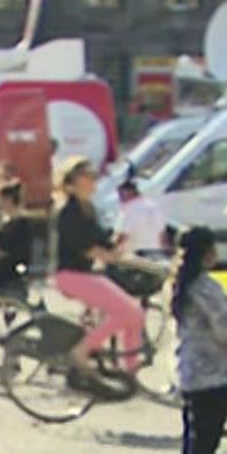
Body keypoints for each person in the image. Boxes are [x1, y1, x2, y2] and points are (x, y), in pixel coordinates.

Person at [52, 156, 144, 384]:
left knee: (135, 316)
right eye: (89, 176)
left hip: (86, 275)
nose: (94, 180)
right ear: (73, 182)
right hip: (71, 276)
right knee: (129, 312)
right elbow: (86, 247)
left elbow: (102, 240)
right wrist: (110, 256)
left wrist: (120, 245)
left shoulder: (88, 209)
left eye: (94, 176)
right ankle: (81, 351)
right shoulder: (68, 212)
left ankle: (130, 373)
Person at [172, 226, 227, 454]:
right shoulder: (207, 288)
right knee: (207, 438)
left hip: (188, 368)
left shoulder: (179, 284)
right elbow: (224, 330)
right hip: (213, 371)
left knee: (192, 434)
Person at [0, 183, 35, 302]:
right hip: (1, 275)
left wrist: (1, 255)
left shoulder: (22, 223)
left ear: (8, 200)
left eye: (0, 199)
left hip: (14, 277)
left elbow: (23, 252)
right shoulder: (3, 221)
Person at [113, 178, 171, 261]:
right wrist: (166, 249)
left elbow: (125, 234)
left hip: (139, 252)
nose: (120, 198)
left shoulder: (132, 207)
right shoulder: (151, 205)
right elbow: (162, 232)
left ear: (130, 192)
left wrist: (113, 249)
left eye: (121, 194)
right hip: (155, 251)